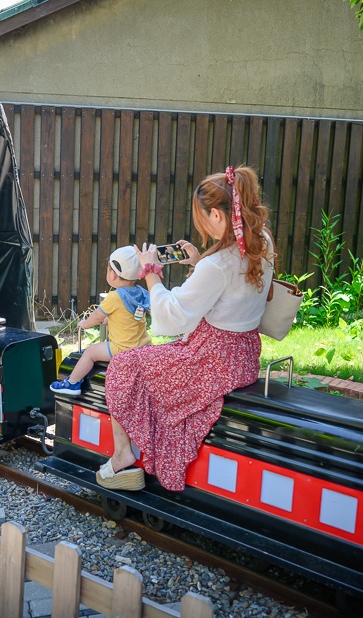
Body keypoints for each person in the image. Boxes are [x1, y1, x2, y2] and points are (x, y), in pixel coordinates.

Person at [94, 166, 273, 492]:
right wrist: (197, 261)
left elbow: (173, 317)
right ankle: (137, 444)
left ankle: (122, 456)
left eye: (203, 217)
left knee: (123, 365)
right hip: (244, 355)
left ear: (217, 215)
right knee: (144, 364)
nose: (201, 223)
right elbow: (230, 288)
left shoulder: (216, 265)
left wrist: (151, 273)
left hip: (211, 358)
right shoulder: (261, 242)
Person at [50, 246, 151, 396]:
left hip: (122, 348)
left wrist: (86, 324)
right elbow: (128, 318)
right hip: (143, 346)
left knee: (90, 352)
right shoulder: (141, 293)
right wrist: (110, 320)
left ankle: (72, 383)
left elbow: (96, 316)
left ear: (113, 274)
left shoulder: (114, 297)